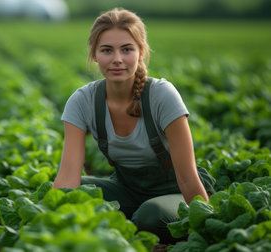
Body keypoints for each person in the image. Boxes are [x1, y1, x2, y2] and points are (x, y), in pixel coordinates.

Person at [52, 8, 215, 244]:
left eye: (127, 49)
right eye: (107, 50)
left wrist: (206, 223)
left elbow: (188, 178)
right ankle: (127, 221)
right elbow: (68, 178)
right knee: (69, 195)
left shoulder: (161, 95)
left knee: (149, 216)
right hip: (127, 189)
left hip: (175, 190)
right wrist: (54, 225)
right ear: (95, 55)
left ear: (140, 53)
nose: (117, 59)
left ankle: (134, 220)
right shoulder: (82, 101)